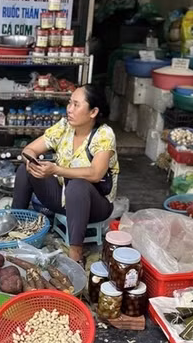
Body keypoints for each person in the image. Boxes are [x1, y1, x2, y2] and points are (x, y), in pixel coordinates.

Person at [11, 84, 119, 263]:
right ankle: (14, 228)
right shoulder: (64, 127)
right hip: (62, 198)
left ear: (93, 112)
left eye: (76, 105)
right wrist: (32, 162)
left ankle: (75, 254)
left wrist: (55, 169)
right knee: (25, 170)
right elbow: (29, 149)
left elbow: (95, 173)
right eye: (69, 103)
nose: (69, 109)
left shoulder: (104, 134)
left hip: (95, 206)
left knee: (77, 184)